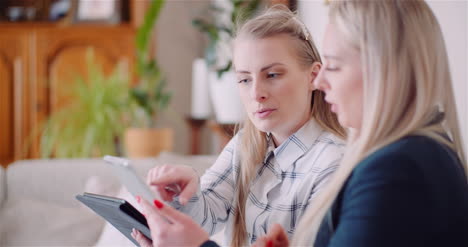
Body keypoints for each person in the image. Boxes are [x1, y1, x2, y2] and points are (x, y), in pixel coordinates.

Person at [133, 0, 468, 247]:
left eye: (333, 66)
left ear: (382, 69)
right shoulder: (414, 155)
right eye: (244, 80)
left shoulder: (392, 169)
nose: (323, 82)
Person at [132, 5, 346, 247]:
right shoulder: (244, 145)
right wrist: (183, 193)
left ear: (313, 76)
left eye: (273, 75)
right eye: (244, 79)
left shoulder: (332, 164)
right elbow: (205, 218)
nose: (256, 93)